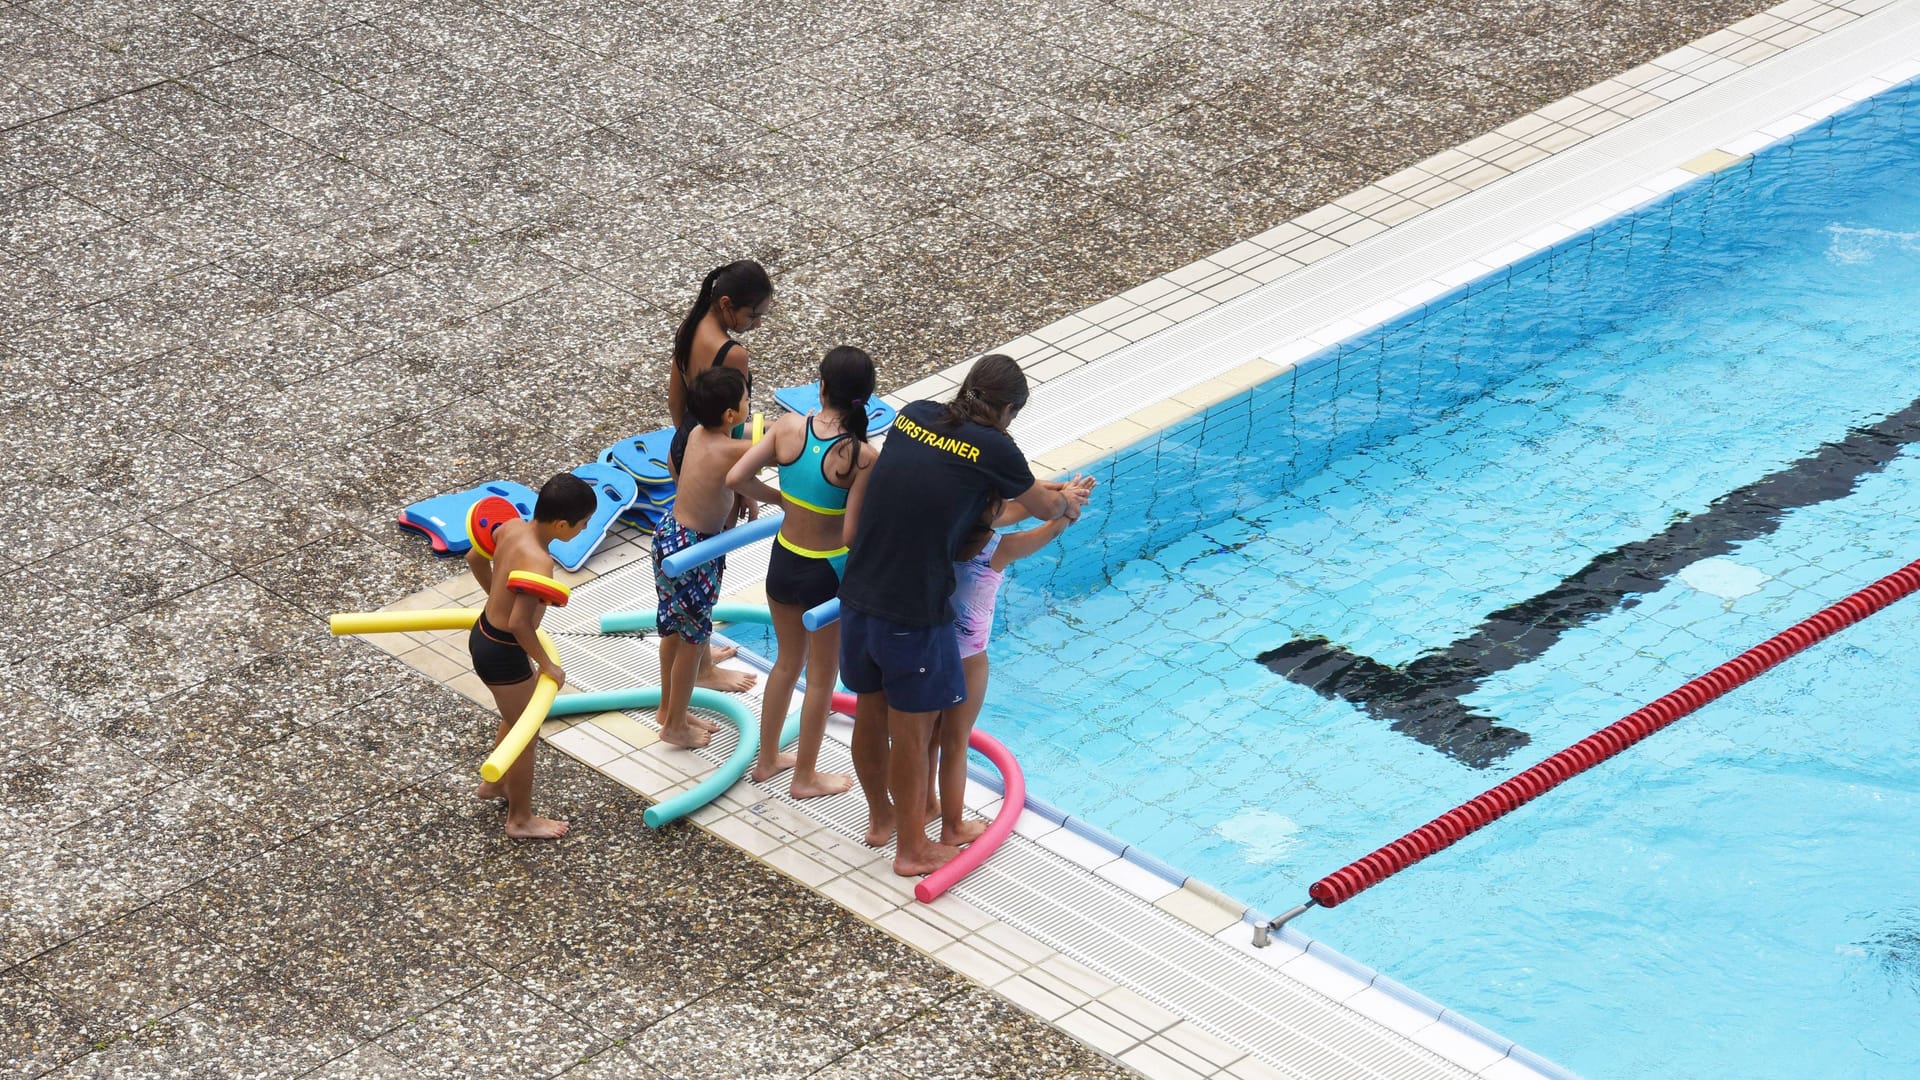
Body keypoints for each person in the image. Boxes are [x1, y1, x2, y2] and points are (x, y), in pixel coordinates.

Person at [838, 354, 1090, 876]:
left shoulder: (915, 413)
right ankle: (912, 849)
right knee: (912, 734)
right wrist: (1065, 503)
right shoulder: (997, 446)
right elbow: (1038, 508)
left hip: (859, 587)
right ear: (1008, 410)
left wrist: (1047, 495)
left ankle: (882, 820)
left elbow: (956, 485)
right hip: (911, 606)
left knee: (870, 709)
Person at [726, 346, 877, 800]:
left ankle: (768, 758)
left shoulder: (789, 427)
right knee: (822, 677)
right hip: (825, 574)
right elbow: (852, 532)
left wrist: (779, 501)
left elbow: (737, 477)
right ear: (866, 398)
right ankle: (805, 777)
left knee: (786, 663)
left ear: (822, 387)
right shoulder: (862, 456)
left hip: (783, 559)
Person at [927, 483, 1091, 844]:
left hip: (928, 647)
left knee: (928, 736)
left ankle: (926, 803)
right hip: (968, 658)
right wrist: (1068, 508)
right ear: (991, 513)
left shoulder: (935, 534)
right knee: (955, 741)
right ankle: (953, 826)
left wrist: (1062, 496)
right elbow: (1049, 529)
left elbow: (1015, 510)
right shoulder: (996, 549)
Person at [467, 472, 594, 839]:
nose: (584, 530)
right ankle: (520, 820)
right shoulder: (539, 562)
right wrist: (546, 663)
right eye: (582, 524)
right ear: (560, 524)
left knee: (515, 716)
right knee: (526, 732)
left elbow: (474, 557)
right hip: (504, 651)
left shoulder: (509, 527)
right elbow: (520, 623)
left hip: (484, 634)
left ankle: (494, 785)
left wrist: (495, 594)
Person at [667, 259, 772, 694]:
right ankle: (703, 666)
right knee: (708, 564)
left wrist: (686, 447)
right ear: (728, 306)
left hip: (688, 444)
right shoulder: (733, 353)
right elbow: (736, 419)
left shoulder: (690, 328)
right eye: (753, 315)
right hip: (718, 450)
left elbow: (675, 397)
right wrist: (743, 484)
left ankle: (701, 650)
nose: (756, 323)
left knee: (694, 564)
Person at [654, 365, 758, 749]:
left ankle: (668, 710)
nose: (750, 406)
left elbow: (742, 459)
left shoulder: (699, 433)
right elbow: (775, 450)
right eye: (747, 401)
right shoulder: (731, 448)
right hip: (694, 551)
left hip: (668, 537)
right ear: (730, 415)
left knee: (673, 632)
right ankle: (675, 725)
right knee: (692, 641)